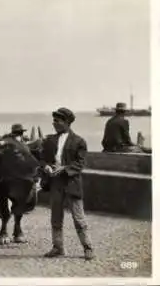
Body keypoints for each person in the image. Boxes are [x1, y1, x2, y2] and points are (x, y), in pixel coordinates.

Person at [41, 107, 94, 261]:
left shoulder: (79, 141)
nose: (54, 123)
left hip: (72, 184)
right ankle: (58, 247)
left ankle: (88, 247)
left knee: (79, 218)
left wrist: (65, 169)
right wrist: (46, 166)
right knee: (56, 217)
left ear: (67, 122)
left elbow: (80, 163)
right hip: (55, 184)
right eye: (54, 121)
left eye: (57, 121)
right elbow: (43, 158)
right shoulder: (49, 140)